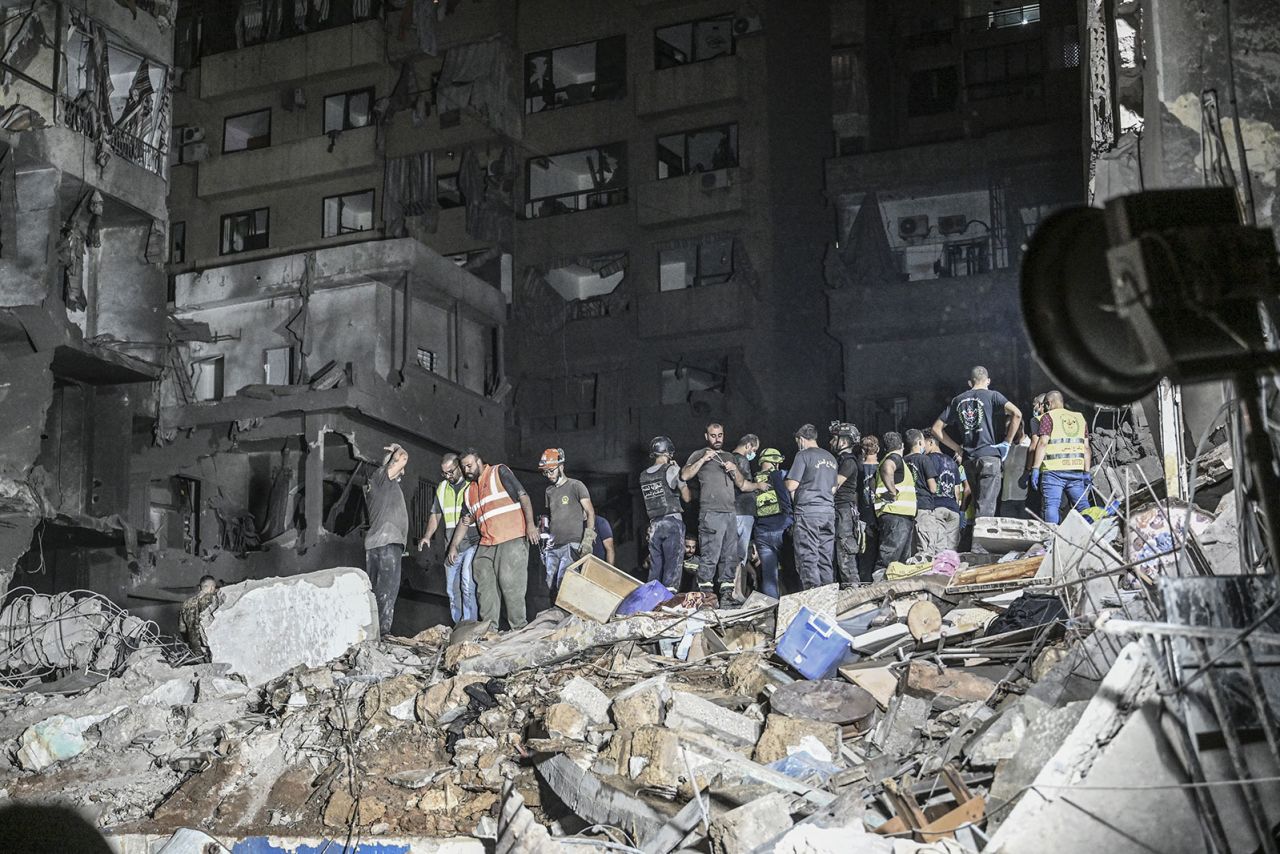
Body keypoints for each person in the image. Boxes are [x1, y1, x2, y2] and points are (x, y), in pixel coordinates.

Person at [447, 448, 538, 629]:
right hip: (488, 542)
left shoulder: (499, 472)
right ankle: (489, 629)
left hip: (511, 537)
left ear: (479, 461)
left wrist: (530, 526)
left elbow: (523, 496)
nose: (467, 470)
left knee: (510, 584)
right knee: (482, 576)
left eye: (469, 465)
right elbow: (464, 522)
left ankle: (518, 628)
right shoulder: (469, 492)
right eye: (464, 467)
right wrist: (454, 546)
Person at [681, 422, 766, 600]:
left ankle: (727, 596)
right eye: (713, 435)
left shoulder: (729, 456)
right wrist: (704, 459)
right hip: (711, 513)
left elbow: (742, 485)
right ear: (706, 436)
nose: (717, 439)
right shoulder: (698, 454)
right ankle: (705, 597)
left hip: (730, 513)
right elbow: (685, 475)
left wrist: (735, 470)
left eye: (720, 435)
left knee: (730, 556)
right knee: (710, 555)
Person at [931, 365, 1022, 520]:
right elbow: (1017, 414)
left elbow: (936, 429)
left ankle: (972, 541)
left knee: (978, 504)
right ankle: (979, 545)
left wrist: (957, 448)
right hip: (989, 458)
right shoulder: (993, 396)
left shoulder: (957, 400)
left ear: (969, 382)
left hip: (969, 461)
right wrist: (1007, 442)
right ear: (988, 381)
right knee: (986, 509)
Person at [418, 453, 477, 624]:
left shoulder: (471, 485)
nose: (448, 476)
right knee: (451, 590)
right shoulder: (442, 488)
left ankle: (469, 624)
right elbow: (436, 514)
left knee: (467, 584)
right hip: (450, 546)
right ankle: (458, 625)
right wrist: (427, 536)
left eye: (451, 472)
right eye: (444, 473)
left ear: (459, 467)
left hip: (471, 543)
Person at [364, 443, 410, 635]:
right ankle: (382, 633)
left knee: (376, 591)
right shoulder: (382, 478)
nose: (403, 471)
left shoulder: (382, 486)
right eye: (399, 468)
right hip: (386, 544)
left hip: (377, 543)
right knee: (386, 591)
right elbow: (403, 457)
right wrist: (397, 449)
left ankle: (374, 633)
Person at [785, 424, 839, 589]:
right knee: (825, 557)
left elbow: (791, 485)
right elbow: (833, 488)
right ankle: (828, 596)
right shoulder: (831, 457)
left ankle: (813, 596)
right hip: (828, 512)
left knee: (808, 556)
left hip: (808, 512)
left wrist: (785, 481)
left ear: (801, 439)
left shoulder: (803, 455)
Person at [538, 448, 595, 598]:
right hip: (553, 546)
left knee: (565, 582)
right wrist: (544, 541)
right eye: (545, 472)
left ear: (561, 467)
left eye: (551, 471)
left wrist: (588, 540)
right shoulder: (549, 491)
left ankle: (569, 617)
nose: (548, 475)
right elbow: (550, 518)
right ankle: (556, 618)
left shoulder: (576, 486)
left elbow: (590, 512)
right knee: (550, 585)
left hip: (571, 545)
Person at [1030, 390, 1093, 523]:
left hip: (1053, 472)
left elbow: (1042, 443)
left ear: (1049, 403)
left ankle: (1051, 539)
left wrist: (1035, 468)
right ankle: (1092, 536)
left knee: (1052, 506)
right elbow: (1086, 448)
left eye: (1046, 405)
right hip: (1076, 471)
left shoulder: (1048, 417)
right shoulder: (1080, 418)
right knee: (1084, 507)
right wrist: (1087, 471)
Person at [640, 436, 691, 592]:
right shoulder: (672, 469)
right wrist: (681, 474)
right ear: (668, 453)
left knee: (656, 566)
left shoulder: (643, 475)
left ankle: (652, 599)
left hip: (654, 525)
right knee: (673, 565)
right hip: (672, 521)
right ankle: (669, 599)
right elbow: (687, 497)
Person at [873, 431, 917, 575]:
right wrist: (892, 491)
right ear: (902, 445)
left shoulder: (888, 459)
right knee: (889, 560)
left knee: (899, 564)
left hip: (896, 516)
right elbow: (887, 468)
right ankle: (879, 589)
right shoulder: (895, 458)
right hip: (896, 515)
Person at [751, 447, 793, 598]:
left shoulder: (752, 481)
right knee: (792, 571)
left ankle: (772, 611)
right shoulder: (783, 475)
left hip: (762, 533)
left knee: (769, 577)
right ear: (775, 462)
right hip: (783, 529)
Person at [829, 421, 864, 587]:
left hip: (843, 511)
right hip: (838, 511)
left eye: (834, 438)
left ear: (843, 441)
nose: (830, 442)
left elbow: (833, 486)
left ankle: (853, 588)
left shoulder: (848, 462)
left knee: (845, 552)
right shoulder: (840, 460)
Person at [918, 434, 963, 555]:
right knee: (951, 552)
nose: (922, 447)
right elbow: (957, 489)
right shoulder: (952, 462)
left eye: (923, 443)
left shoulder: (928, 460)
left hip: (937, 507)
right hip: (953, 509)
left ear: (931, 443)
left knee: (939, 550)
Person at [730, 434, 761, 580]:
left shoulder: (729, 458)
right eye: (753, 449)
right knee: (741, 554)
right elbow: (744, 485)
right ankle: (737, 590)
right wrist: (758, 486)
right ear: (748, 445)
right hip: (743, 511)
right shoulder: (741, 460)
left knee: (732, 552)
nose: (753, 453)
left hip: (732, 510)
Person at [902, 429, 933, 556]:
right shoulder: (924, 460)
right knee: (925, 545)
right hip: (924, 505)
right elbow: (932, 487)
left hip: (907, 506)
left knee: (911, 545)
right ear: (920, 442)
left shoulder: (902, 461)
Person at [857, 435, 880, 583]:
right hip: (880, 513)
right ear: (877, 449)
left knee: (864, 554)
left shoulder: (857, 468)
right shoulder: (884, 466)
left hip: (862, 514)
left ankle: (864, 583)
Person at [178, 575, 219, 656]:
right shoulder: (212, 599)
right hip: (208, 646)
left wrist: (189, 641)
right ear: (212, 587)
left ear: (200, 588)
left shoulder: (186, 603)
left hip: (193, 647)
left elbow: (182, 628)